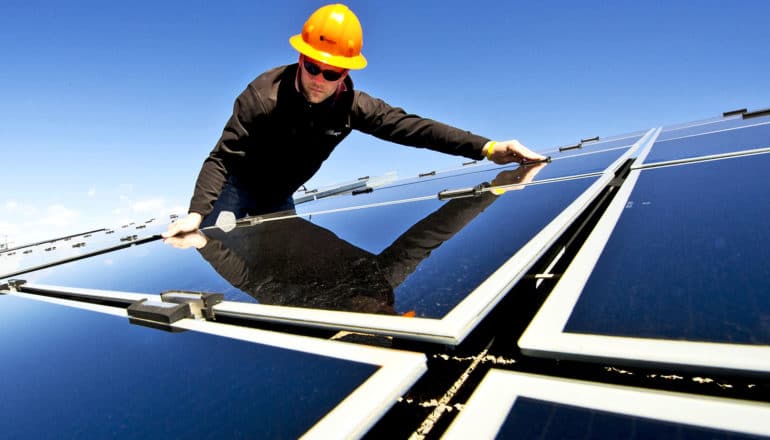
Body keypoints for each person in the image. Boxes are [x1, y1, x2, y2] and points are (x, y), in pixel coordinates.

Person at [163, 3, 545, 239]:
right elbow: (222, 158)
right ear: (300, 58)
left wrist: (489, 147)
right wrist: (196, 212)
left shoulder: (353, 107)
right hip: (238, 187)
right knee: (212, 241)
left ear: (345, 74)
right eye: (312, 67)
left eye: (332, 74)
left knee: (277, 258)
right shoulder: (260, 96)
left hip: (281, 195)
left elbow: (415, 128)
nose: (319, 79)